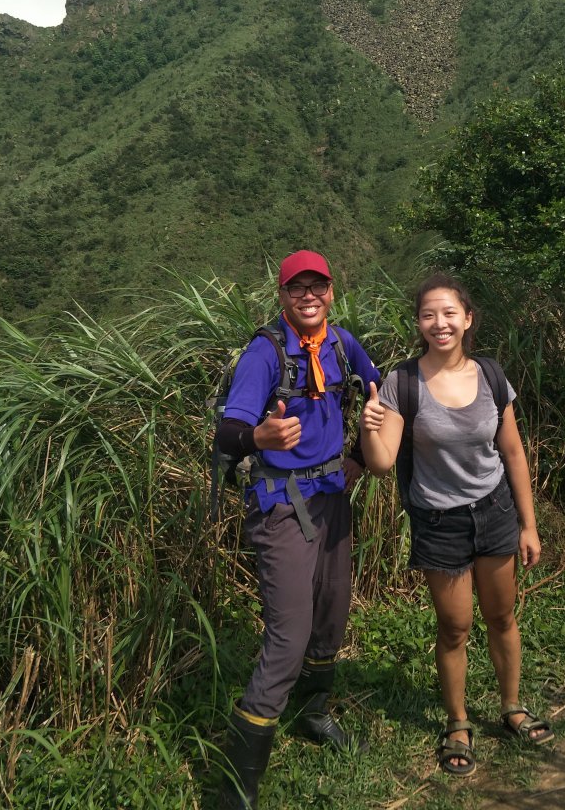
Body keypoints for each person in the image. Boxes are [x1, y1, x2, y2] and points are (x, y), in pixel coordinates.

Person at [359, 272, 553, 777]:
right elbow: (382, 464)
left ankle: (511, 707)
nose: (439, 323)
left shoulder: (491, 376)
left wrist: (528, 526)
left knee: (503, 616)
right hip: (439, 522)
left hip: (494, 513)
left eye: (449, 313)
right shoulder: (403, 383)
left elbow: (512, 452)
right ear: (419, 323)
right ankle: (457, 722)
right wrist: (368, 428)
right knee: (454, 628)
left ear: (467, 319)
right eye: (428, 314)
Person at [215, 250, 380, 809]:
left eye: (318, 286)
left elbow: (381, 390)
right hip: (282, 506)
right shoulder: (264, 353)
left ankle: (313, 715)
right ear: (282, 296)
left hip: (334, 498)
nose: (308, 296)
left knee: (331, 616)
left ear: (332, 291)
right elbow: (228, 430)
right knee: (288, 637)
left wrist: (360, 453)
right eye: (296, 288)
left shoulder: (341, 343)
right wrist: (258, 438)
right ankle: (236, 787)